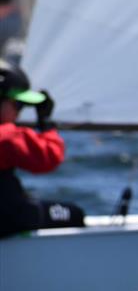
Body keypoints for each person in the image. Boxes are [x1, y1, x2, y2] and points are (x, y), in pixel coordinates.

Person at [0, 58, 84, 238]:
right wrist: (46, 124)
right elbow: (49, 158)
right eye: (17, 104)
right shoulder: (7, 136)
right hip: (10, 219)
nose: (19, 112)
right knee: (75, 213)